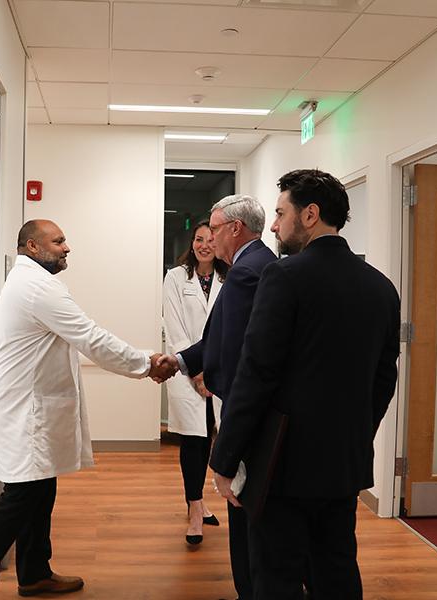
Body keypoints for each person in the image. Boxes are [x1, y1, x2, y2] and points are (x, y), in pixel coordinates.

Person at [0, 219, 177, 600]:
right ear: (32, 248)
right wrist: (146, 362)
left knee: (40, 491)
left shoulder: (32, 283)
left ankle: (35, 574)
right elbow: (91, 337)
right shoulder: (38, 287)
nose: (66, 247)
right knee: (21, 496)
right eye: (58, 241)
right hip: (22, 410)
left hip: (25, 404)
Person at [210, 169, 400, 600]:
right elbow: (383, 379)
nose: (274, 226)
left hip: (283, 463)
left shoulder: (285, 276)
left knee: (276, 573)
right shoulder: (381, 287)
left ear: (310, 214)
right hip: (343, 462)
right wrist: (355, 432)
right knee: (335, 569)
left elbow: (257, 373)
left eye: (280, 213)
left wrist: (225, 457)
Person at [163, 194, 276, 600]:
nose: (209, 237)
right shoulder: (253, 265)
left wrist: (200, 371)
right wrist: (182, 361)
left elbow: (236, 352)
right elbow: (215, 335)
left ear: (234, 229)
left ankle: (250, 589)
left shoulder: (244, 273)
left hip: (240, 407)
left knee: (242, 506)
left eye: (214, 228)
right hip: (211, 384)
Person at [163, 221, 228, 544]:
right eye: (199, 239)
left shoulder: (229, 277)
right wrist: (197, 371)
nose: (204, 245)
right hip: (188, 372)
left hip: (219, 372)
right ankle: (194, 508)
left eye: (211, 239)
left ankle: (201, 504)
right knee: (193, 441)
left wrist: (211, 370)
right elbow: (175, 328)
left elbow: (229, 328)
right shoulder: (176, 278)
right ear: (192, 242)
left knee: (214, 440)